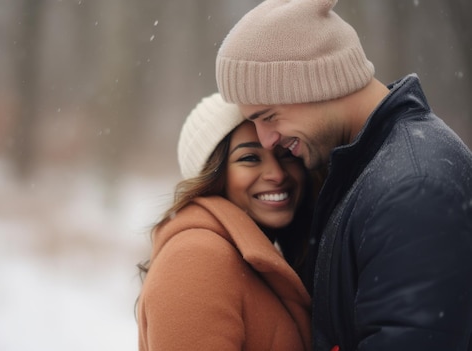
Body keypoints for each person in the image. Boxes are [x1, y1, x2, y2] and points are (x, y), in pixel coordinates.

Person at [215, 0, 472, 350]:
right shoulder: (366, 167)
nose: (267, 140)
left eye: (269, 116)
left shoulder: (413, 186)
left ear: (316, 83)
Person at [136, 92, 320, 350]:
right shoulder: (196, 258)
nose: (277, 174)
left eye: (286, 154)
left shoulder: (252, 255)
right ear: (213, 176)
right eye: (249, 158)